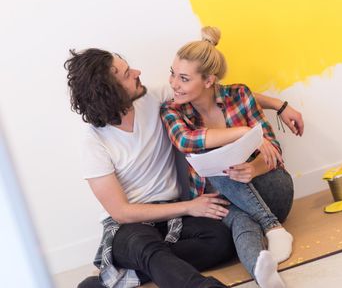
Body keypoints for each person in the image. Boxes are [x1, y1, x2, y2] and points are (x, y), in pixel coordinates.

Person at [64, 47, 304, 288]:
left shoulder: (152, 98)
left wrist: (279, 106)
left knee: (221, 240)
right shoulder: (94, 143)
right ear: (110, 92)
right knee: (144, 247)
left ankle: (113, 281)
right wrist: (190, 206)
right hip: (129, 226)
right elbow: (122, 212)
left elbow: (215, 92)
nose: (138, 72)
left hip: (173, 215)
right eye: (127, 74)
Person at [160, 27, 297, 288]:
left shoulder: (240, 95)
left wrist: (253, 169)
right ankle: (266, 274)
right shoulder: (171, 111)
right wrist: (243, 134)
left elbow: (274, 151)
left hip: (270, 189)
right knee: (238, 216)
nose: (174, 84)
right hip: (223, 204)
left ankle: (271, 225)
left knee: (215, 164)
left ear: (209, 81)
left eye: (184, 78)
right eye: (172, 74)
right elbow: (186, 141)